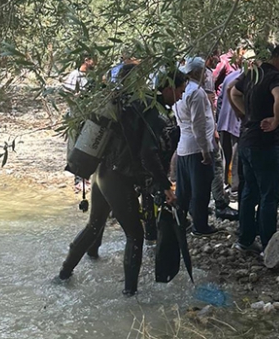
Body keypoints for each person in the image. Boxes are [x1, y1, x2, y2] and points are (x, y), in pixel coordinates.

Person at [57, 66, 185, 296]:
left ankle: (63, 275)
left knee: (94, 224)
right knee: (134, 235)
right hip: (118, 178)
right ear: (168, 89)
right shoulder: (155, 114)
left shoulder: (138, 105)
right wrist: (165, 185)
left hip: (102, 173)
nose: (183, 95)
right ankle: (130, 295)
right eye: (181, 89)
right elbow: (148, 154)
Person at [230, 43, 279, 252]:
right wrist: (277, 120)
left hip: (246, 140)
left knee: (249, 191)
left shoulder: (253, 73)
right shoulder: (275, 77)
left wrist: (247, 114)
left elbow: (233, 92)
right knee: (269, 194)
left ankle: (245, 239)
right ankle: (268, 242)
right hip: (265, 143)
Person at [175, 57, 220, 236]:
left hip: (183, 146)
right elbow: (198, 124)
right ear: (196, 72)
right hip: (196, 147)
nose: (206, 74)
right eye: (204, 71)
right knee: (201, 189)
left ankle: (179, 221)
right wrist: (205, 150)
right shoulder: (196, 92)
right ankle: (200, 226)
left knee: (184, 189)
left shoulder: (183, 90)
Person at [63, 54, 95, 193]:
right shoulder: (74, 75)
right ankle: (78, 180)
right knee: (76, 146)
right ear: (86, 60)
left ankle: (85, 177)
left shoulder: (92, 77)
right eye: (94, 59)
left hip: (88, 117)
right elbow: (67, 95)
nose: (96, 62)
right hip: (76, 116)